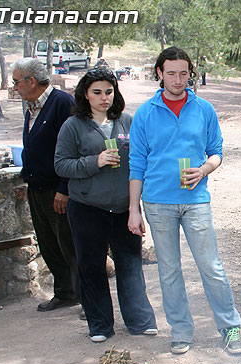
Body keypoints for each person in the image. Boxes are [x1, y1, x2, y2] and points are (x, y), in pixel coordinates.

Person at [128, 47, 241, 355]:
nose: (178, 80)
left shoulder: (203, 108)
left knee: (211, 266)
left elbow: (217, 151)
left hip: (196, 200)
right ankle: (180, 330)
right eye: (171, 73)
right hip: (157, 202)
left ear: (190, 73)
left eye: (183, 73)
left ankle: (230, 327)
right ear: (159, 74)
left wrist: (205, 168)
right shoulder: (145, 113)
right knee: (169, 269)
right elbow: (136, 164)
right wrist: (133, 210)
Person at [54, 69, 157, 343]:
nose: (104, 98)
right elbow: (61, 164)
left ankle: (140, 321)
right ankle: (100, 325)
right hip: (88, 207)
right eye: (97, 92)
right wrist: (94, 162)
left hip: (124, 207)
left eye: (108, 92)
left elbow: (143, 159)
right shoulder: (73, 125)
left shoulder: (127, 121)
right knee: (92, 267)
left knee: (131, 264)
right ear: (85, 94)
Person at [11, 58, 80, 312]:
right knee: (49, 243)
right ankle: (65, 293)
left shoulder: (61, 103)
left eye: (17, 81)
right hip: (37, 188)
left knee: (69, 244)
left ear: (31, 80)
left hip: (57, 190)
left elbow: (74, 148)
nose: (15, 87)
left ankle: (87, 297)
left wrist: (64, 188)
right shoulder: (31, 107)